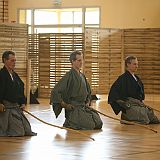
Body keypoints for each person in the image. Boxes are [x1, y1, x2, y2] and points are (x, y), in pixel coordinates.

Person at [50, 50, 103, 130]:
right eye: (79, 60)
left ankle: (75, 121)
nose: (81, 62)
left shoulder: (82, 76)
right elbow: (55, 91)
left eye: (82, 60)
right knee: (90, 125)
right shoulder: (69, 76)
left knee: (98, 123)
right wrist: (65, 104)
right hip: (74, 108)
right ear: (73, 61)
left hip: (83, 107)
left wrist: (87, 101)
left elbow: (88, 91)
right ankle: (69, 122)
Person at [108, 55, 159, 124]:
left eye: (137, 64)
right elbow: (113, 94)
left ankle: (136, 114)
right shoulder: (122, 79)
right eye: (134, 64)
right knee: (145, 120)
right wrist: (123, 104)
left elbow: (141, 95)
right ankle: (125, 117)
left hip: (138, 105)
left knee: (153, 119)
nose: (137, 66)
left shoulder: (136, 78)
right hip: (129, 107)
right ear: (128, 64)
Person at [0, 50, 37, 136]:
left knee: (27, 130)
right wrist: (0, 103)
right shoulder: (1, 74)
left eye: (15, 60)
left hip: (15, 107)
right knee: (18, 132)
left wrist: (22, 102)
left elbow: (21, 88)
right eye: (12, 60)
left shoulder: (15, 75)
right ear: (5, 60)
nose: (14, 62)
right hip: (6, 108)